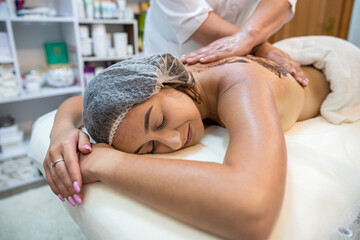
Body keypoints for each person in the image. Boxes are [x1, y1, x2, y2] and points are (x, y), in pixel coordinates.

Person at [44, 42, 333, 238]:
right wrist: (61, 131)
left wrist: (106, 162)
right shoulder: (180, 86)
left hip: (330, 66)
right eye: (149, 148)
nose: (172, 141)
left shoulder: (240, 85)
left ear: (166, 82)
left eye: (158, 121)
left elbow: (253, 211)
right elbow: (83, 101)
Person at [143, 0, 309, 86]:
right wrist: (258, 46)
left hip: (242, 61)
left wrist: (250, 38)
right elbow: (195, 21)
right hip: (174, 50)